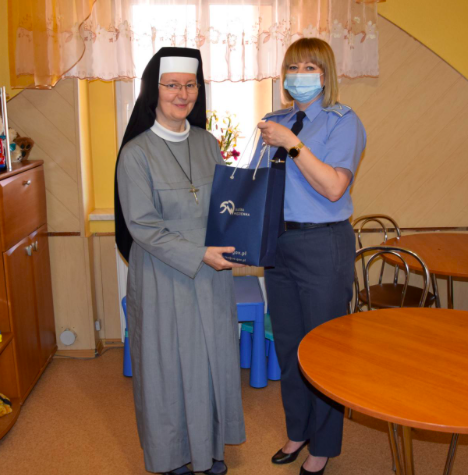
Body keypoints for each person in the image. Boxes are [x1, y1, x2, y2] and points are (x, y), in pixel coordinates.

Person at [114, 47, 245, 475]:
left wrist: (244, 234)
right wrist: (199, 254)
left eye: (190, 85)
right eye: (172, 85)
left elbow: (226, 206)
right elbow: (142, 225)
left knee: (211, 362)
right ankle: (172, 458)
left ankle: (209, 451)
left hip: (211, 275)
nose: (182, 94)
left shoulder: (208, 143)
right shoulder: (136, 153)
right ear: (154, 90)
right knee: (167, 369)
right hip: (163, 274)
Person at [252, 38, 366, 475]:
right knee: (288, 345)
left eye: (309, 67)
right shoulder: (275, 120)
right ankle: (297, 431)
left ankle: (323, 446)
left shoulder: (343, 121)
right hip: (278, 243)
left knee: (325, 352)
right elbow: (259, 181)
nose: (299, 74)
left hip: (322, 243)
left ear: (325, 73)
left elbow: (334, 187)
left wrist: (293, 144)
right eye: (292, 67)